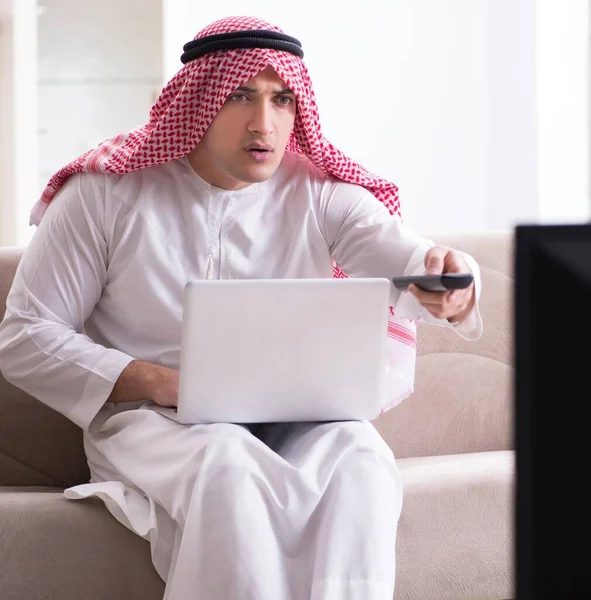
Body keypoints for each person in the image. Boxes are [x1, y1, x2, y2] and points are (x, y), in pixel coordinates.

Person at [0, 15, 483, 600]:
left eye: (282, 100)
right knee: (228, 462)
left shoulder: (321, 193)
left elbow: (413, 262)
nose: (265, 123)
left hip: (298, 419)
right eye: (240, 96)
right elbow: (24, 334)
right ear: (198, 100)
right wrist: (158, 381)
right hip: (156, 423)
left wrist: (450, 283)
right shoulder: (105, 193)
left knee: (361, 460)